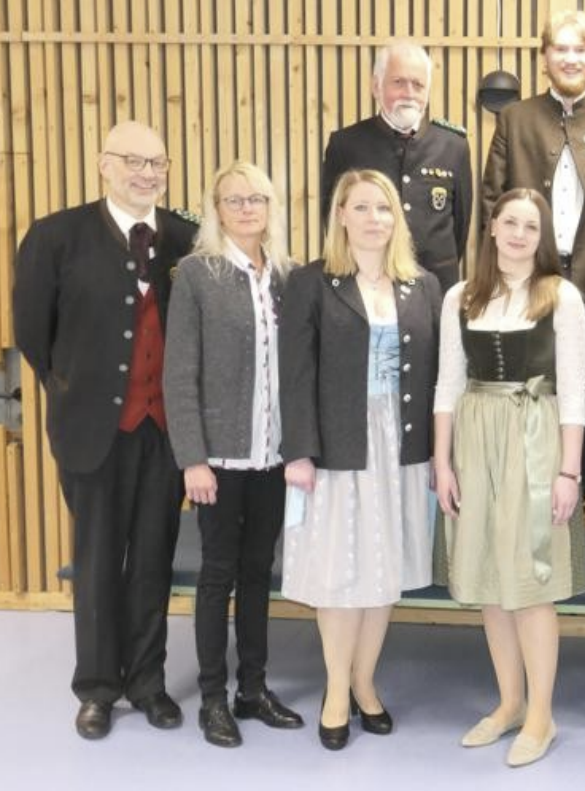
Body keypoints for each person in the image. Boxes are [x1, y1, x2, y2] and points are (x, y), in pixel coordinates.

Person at [14, 121, 196, 740]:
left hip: (165, 432)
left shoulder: (186, 239)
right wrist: (76, 394)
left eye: (158, 162)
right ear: (103, 164)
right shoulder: (55, 236)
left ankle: (147, 683)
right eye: (134, 161)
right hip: (92, 431)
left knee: (152, 559)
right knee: (95, 562)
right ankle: (96, 688)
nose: (147, 173)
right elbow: (34, 336)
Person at [279, 169, 442, 750]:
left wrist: (438, 454)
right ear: (341, 215)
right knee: (341, 573)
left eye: (385, 209)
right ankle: (335, 690)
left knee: (384, 573)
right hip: (337, 447)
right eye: (363, 207)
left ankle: (366, 682)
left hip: (400, 448)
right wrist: (298, 450)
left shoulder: (422, 285)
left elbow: (436, 381)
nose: (375, 219)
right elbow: (294, 373)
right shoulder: (312, 282)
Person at [432, 188, 585, 767]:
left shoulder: (561, 297)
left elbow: (573, 393)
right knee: (489, 581)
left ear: (542, 237)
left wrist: (569, 471)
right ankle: (509, 702)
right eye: (510, 222)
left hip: (535, 439)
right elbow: (446, 385)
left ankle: (542, 714)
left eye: (531, 225)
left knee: (530, 582)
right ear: (492, 228)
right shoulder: (462, 296)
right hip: (476, 437)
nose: (520, 234)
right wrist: (442, 461)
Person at [483, 10, 585, 541]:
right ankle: (526, 502)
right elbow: (493, 200)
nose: (570, 58)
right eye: (560, 49)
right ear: (544, 57)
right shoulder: (515, 119)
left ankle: (572, 504)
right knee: (531, 387)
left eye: (582, 49)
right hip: (524, 285)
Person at [163, 161, 304, 747]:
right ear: (216, 208)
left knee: (256, 573)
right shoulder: (197, 274)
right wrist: (192, 457)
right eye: (234, 199)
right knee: (217, 575)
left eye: (257, 199)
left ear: (271, 207)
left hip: (272, 456)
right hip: (217, 459)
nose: (247, 208)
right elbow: (179, 373)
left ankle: (253, 689)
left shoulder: (287, 277)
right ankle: (213, 698)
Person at [322, 39, 472, 292]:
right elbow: (334, 221)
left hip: (434, 286)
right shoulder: (345, 144)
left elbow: (460, 225)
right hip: (366, 284)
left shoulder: (453, 146)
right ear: (376, 86)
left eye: (418, 85)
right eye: (398, 82)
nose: (409, 93)